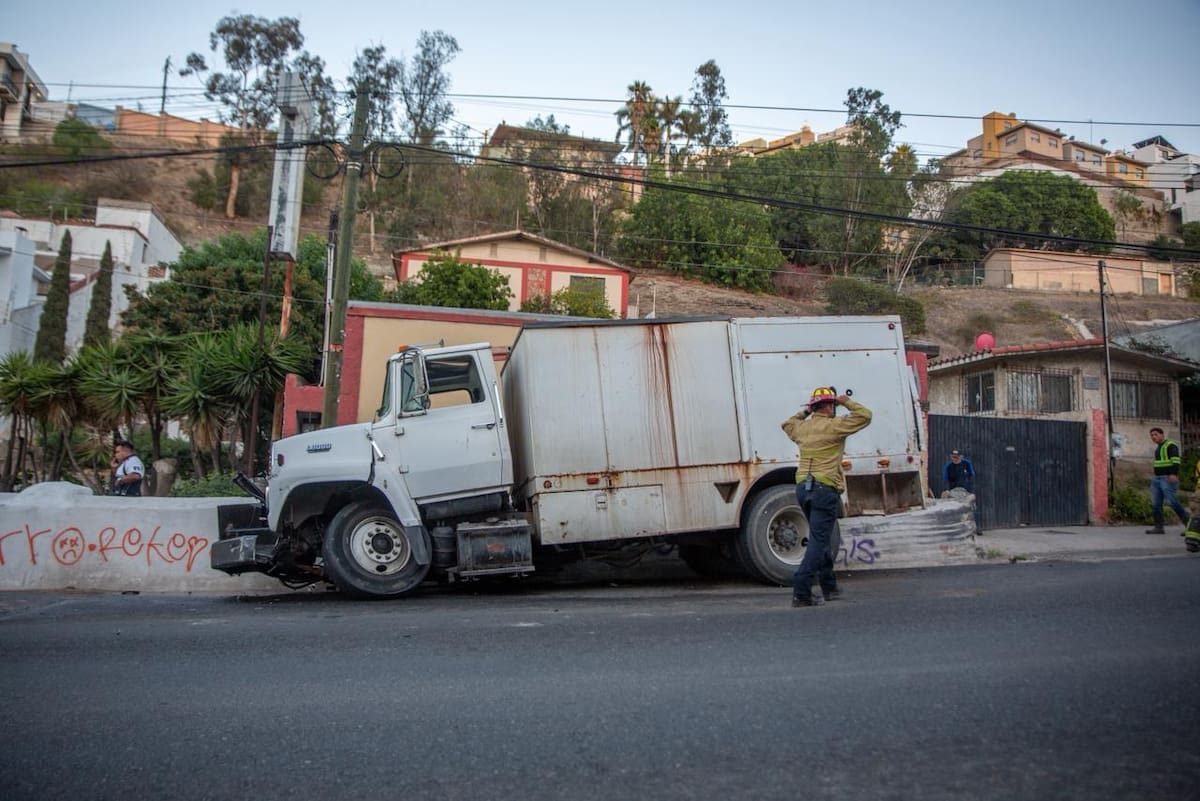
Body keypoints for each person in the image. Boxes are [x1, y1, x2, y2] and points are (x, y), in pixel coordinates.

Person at [781, 386, 872, 608]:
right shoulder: (835, 426)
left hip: (803, 486)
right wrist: (845, 402)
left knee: (820, 536)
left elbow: (787, 424)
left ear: (813, 407)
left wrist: (806, 411)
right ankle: (801, 591)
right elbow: (865, 416)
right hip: (824, 487)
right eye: (833, 405)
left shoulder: (802, 428)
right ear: (830, 406)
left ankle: (829, 586)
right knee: (819, 540)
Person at [1146, 427, 1187, 534]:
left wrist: (1173, 474)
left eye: (1155, 434)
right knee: (1156, 504)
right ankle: (1159, 527)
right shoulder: (1158, 448)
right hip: (1157, 479)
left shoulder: (1171, 445)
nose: (1153, 437)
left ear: (1162, 434)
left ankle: (1190, 527)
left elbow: (1176, 461)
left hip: (1167, 478)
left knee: (1173, 502)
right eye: (1152, 435)